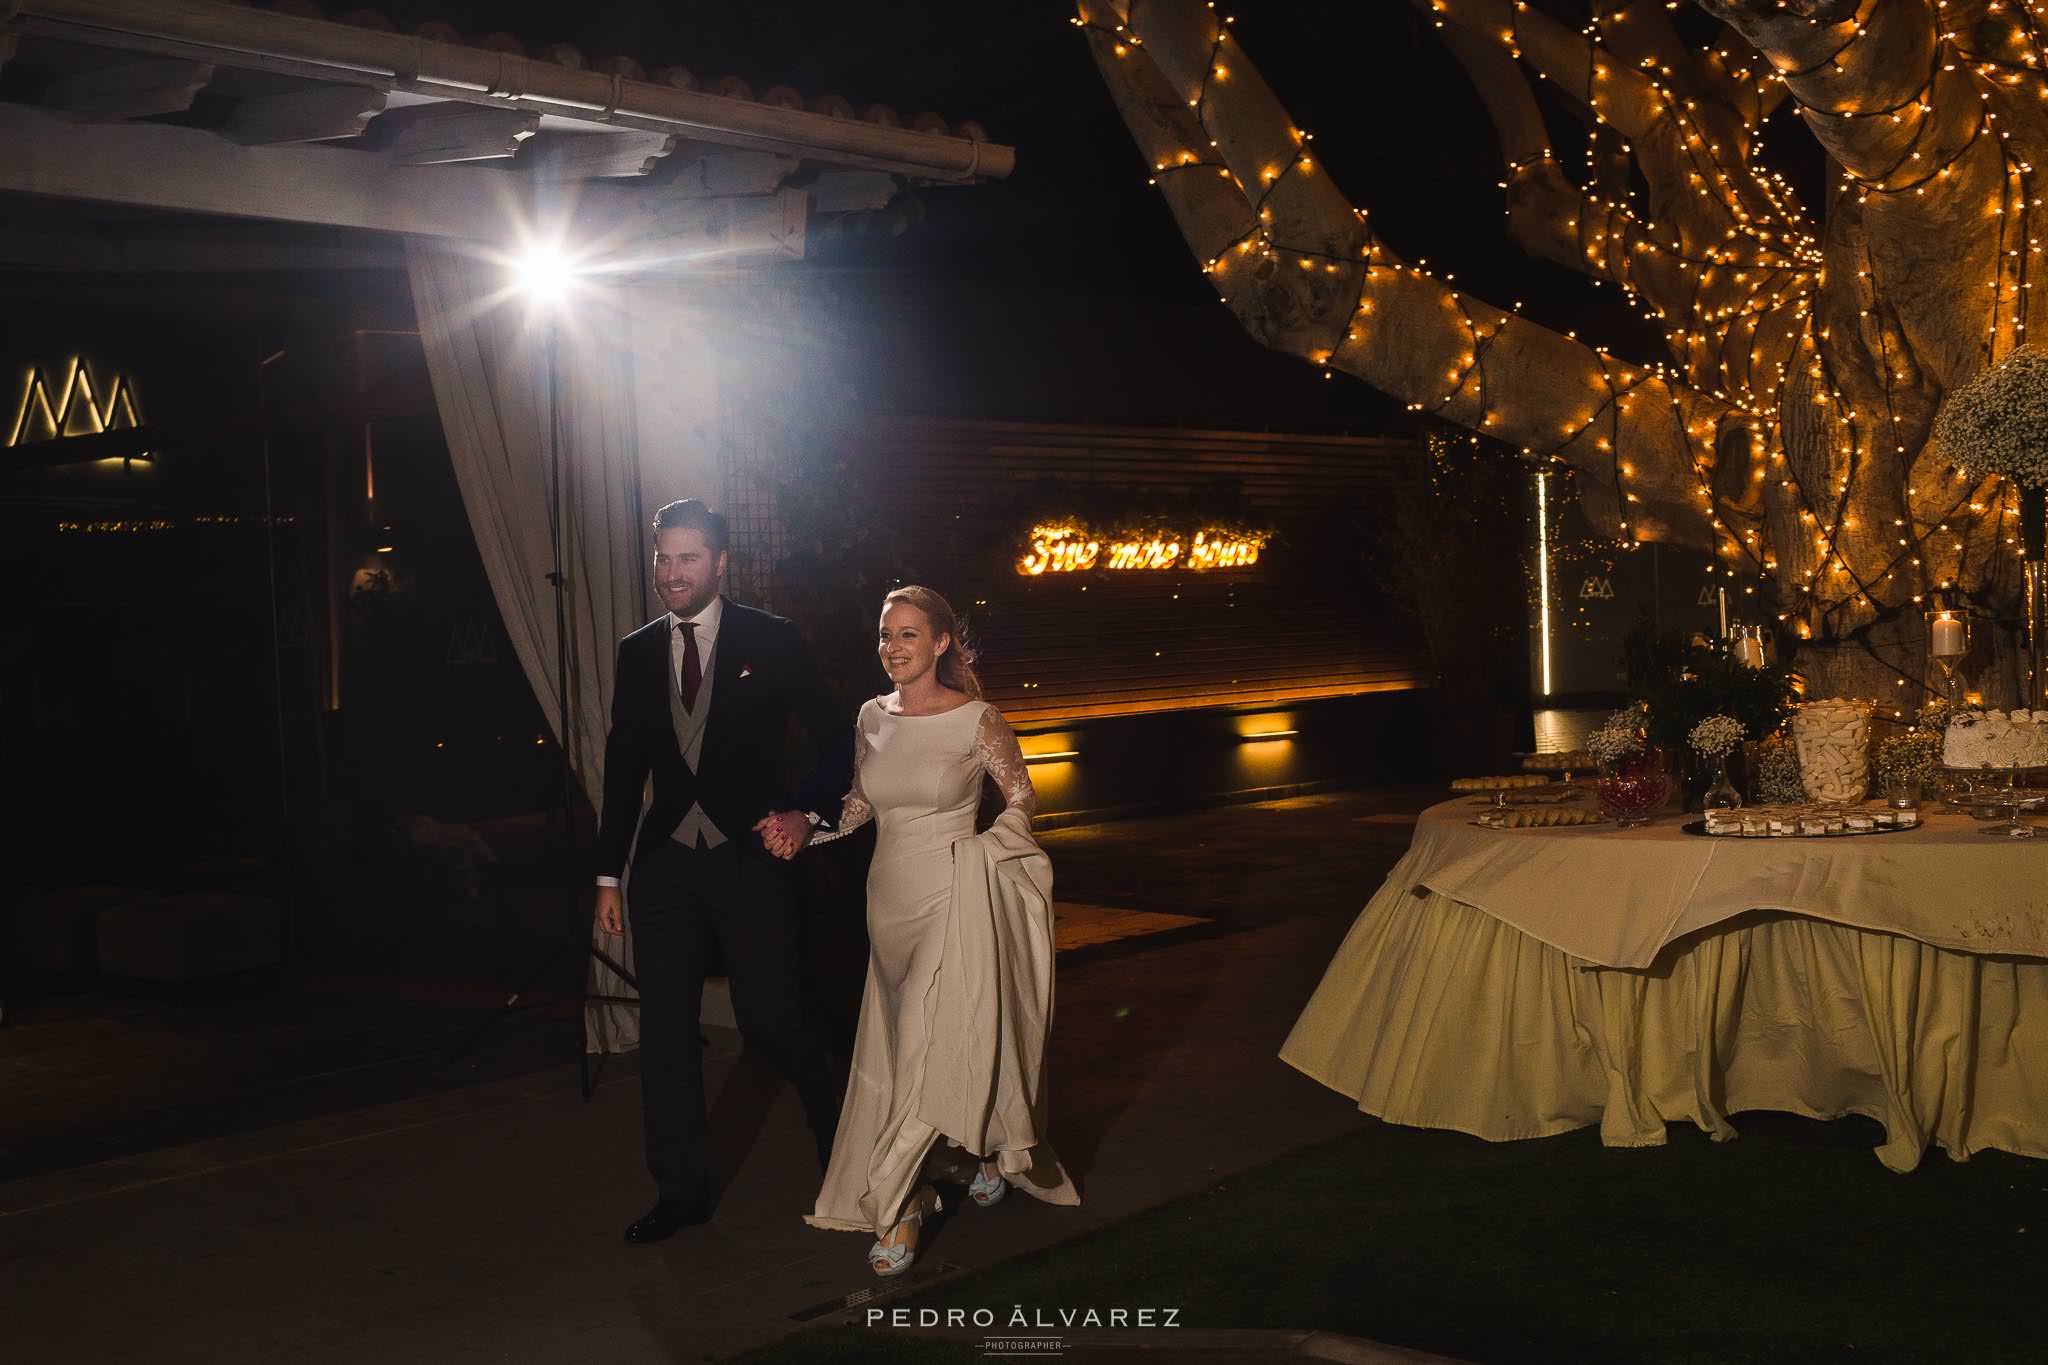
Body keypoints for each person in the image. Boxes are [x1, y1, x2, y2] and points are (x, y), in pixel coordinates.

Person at [760, 585, 1078, 1277]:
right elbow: (861, 805)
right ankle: (970, 1150)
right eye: (885, 634)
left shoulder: (976, 719)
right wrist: (805, 827)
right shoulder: (870, 716)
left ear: (940, 643)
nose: (893, 647)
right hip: (888, 905)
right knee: (912, 1047)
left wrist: (992, 848)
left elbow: (1021, 795)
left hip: (952, 896)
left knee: (928, 1042)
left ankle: (898, 1201)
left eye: (908, 634)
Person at [592, 499, 852, 1245]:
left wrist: (807, 814)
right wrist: (607, 875)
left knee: (772, 1020)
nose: (671, 572)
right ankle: (680, 1192)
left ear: (720, 563)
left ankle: (841, 1138)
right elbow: (621, 771)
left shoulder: (772, 640)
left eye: (687, 558)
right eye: (662, 558)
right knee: (666, 1033)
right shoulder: (637, 649)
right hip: (666, 867)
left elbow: (839, 739)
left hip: (751, 857)